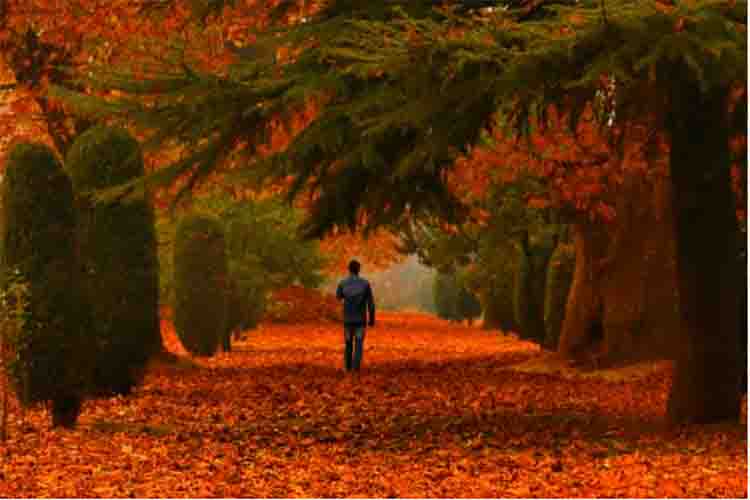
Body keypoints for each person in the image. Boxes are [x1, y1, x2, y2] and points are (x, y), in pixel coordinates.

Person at [336, 259, 375, 372]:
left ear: (349, 269)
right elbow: (371, 303)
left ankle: (347, 368)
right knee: (358, 344)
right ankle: (355, 368)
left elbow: (338, 297)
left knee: (348, 344)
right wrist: (372, 319)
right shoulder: (365, 283)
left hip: (347, 319)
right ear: (359, 270)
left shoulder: (342, 283)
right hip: (360, 320)